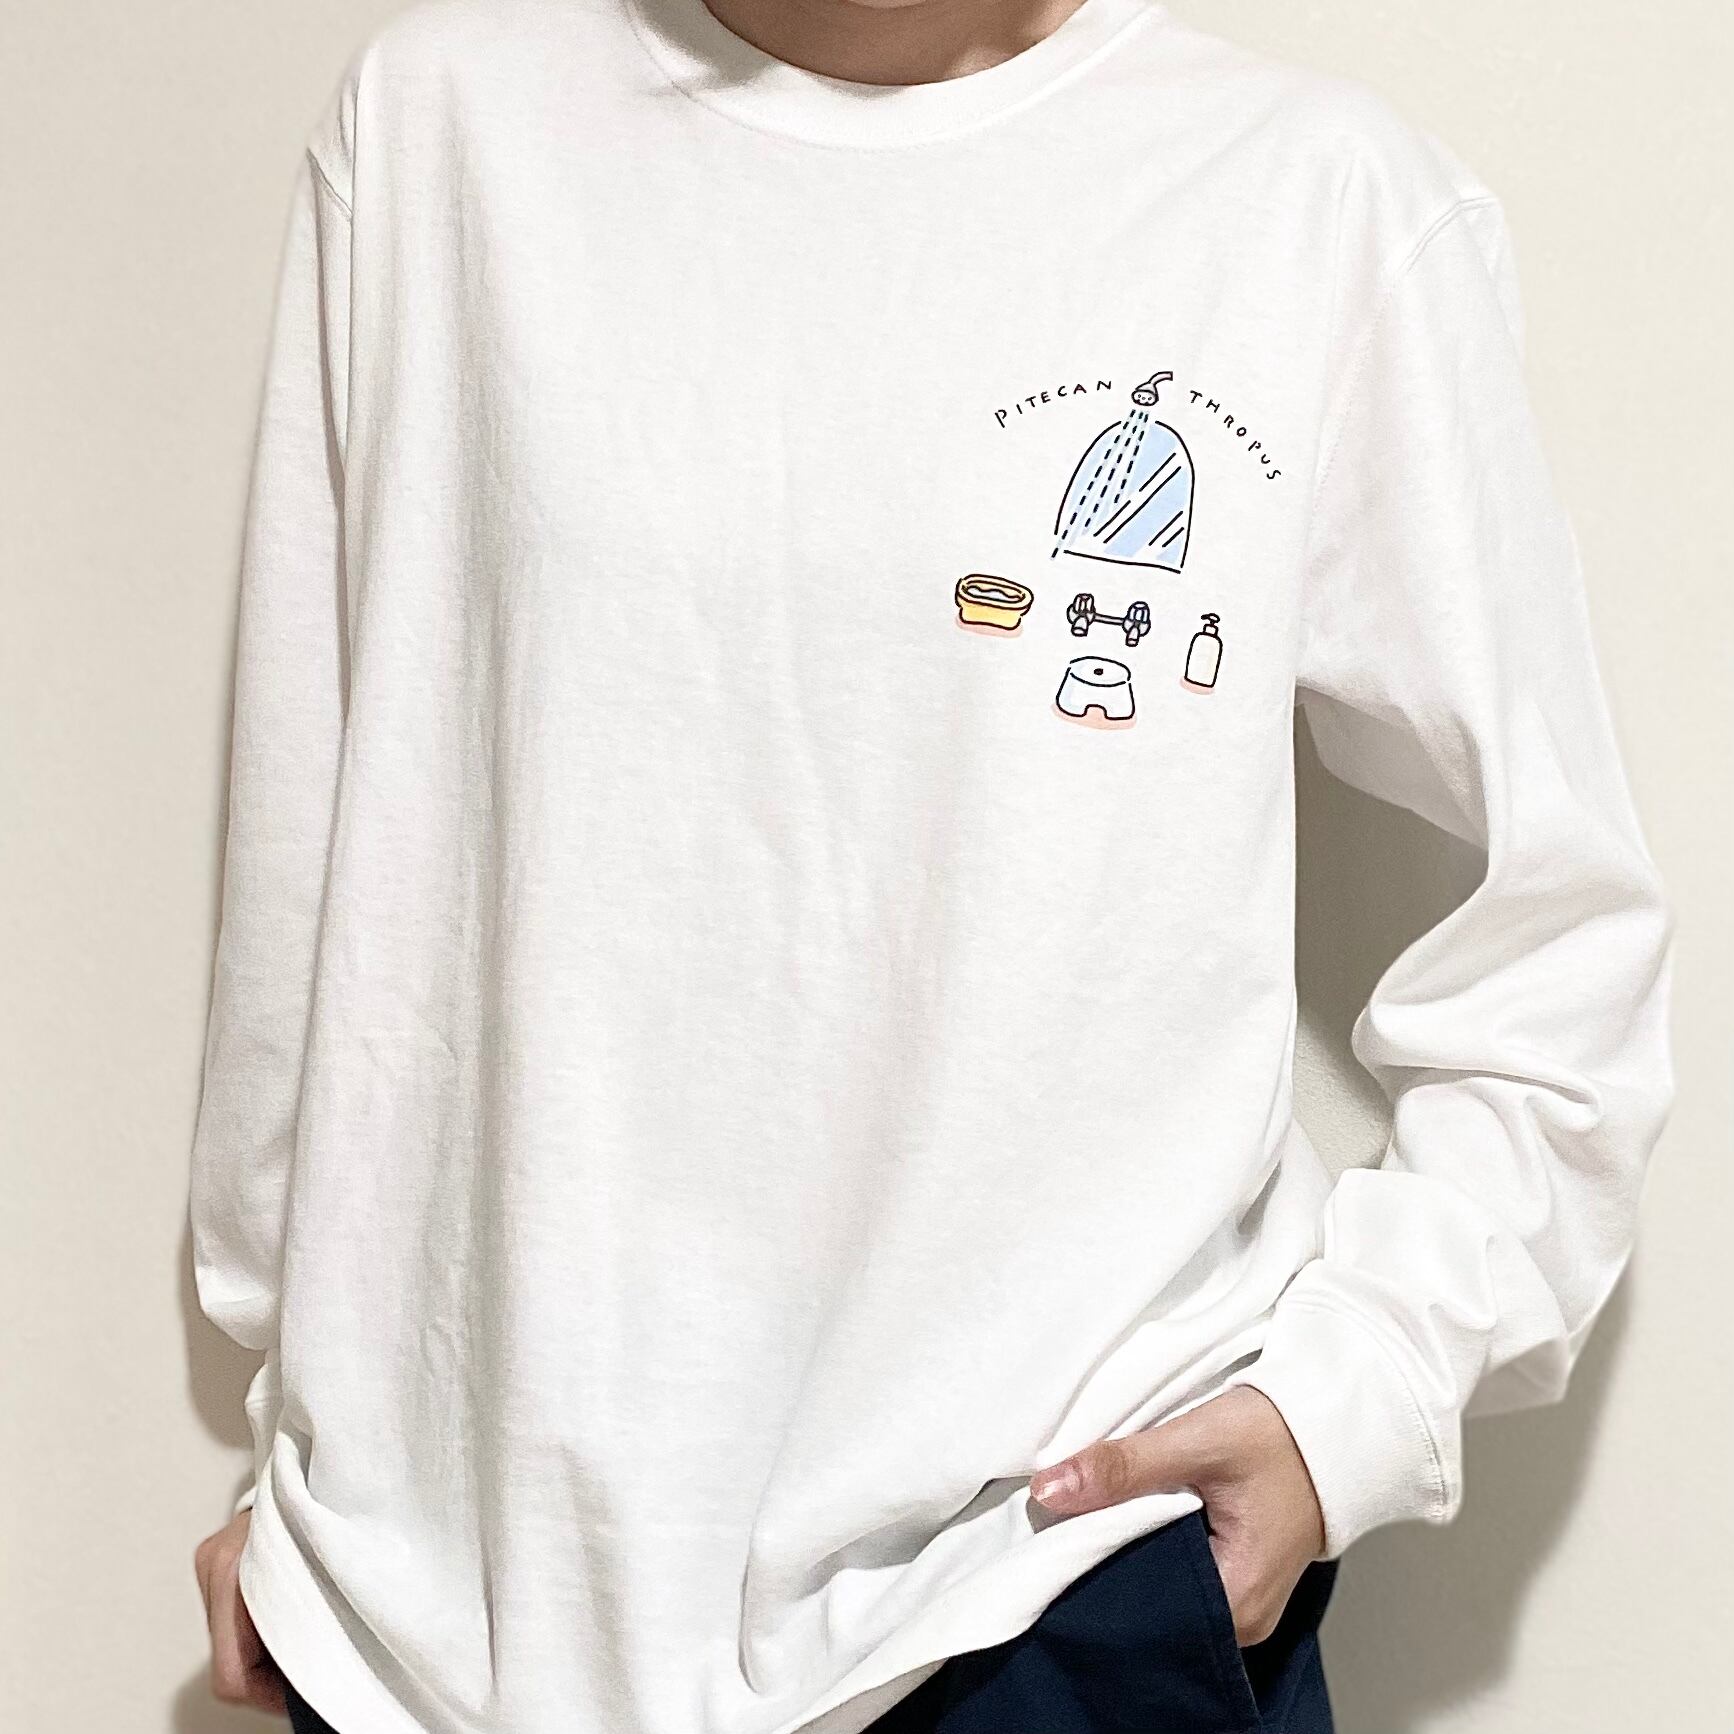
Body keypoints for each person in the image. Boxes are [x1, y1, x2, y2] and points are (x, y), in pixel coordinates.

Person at [188, 0, 1675, 1729]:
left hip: (1046, 1589)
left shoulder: (1308, 202)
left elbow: (1561, 935)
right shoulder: (440, 131)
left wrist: (1352, 1396)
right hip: (447, 1629)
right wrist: (300, 1450)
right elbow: (318, 860)